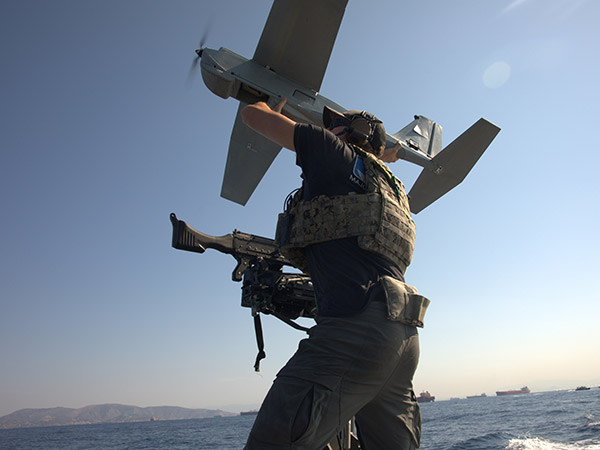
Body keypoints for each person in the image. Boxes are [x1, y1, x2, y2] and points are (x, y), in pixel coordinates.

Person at [240, 98, 429, 450]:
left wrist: (264, 101)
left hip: (356, 328)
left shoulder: (329, 152)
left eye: (336, 125)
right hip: (402, 337)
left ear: (356, 134)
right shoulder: (393, 190)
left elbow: (252, 116)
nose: (327, 128)